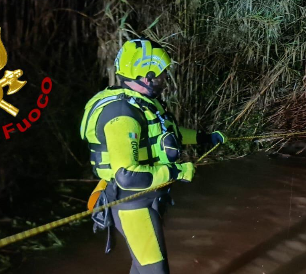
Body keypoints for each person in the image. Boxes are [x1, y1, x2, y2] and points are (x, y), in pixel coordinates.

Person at [79, 39, 226, 273]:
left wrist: (205, 138)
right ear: (145, 77)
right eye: (160, 75)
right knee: (154, 271)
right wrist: (177, 172)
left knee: (142, 267)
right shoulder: (121, 114)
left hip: (148, 198)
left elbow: (165, 135)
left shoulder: (142, 104)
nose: (165, 80)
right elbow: (127, 176)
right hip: (132, 203)